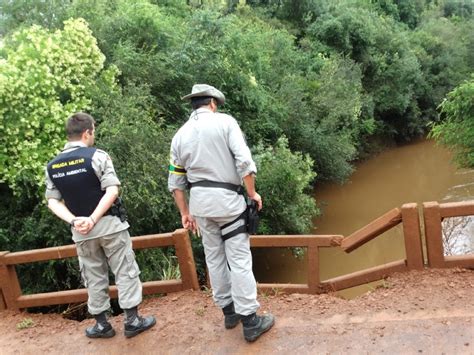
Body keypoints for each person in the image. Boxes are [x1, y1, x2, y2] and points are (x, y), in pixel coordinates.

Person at [168, 84, 275, 342]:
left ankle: (229, 313)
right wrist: (252, 194)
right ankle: (250, 320)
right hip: (227, 202)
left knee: (214, 257)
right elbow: (245, 164)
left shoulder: (179, 135)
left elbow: (175, 183)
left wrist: (185, 213)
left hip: (200, 206)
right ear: (213, 103)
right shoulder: (225, 123)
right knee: (238, 258)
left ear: (194, 104)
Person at [45, 112, 155, 339]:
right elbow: (112, 190)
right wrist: (94, 218)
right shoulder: (97, 156)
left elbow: (52, 201)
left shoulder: (53, 166)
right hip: (110, 226)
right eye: (93, 131)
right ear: (87, 133)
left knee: (93, 275)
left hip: (81, 232)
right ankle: (132, 320)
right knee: (125, 270)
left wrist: (75, 220)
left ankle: (102, 325)